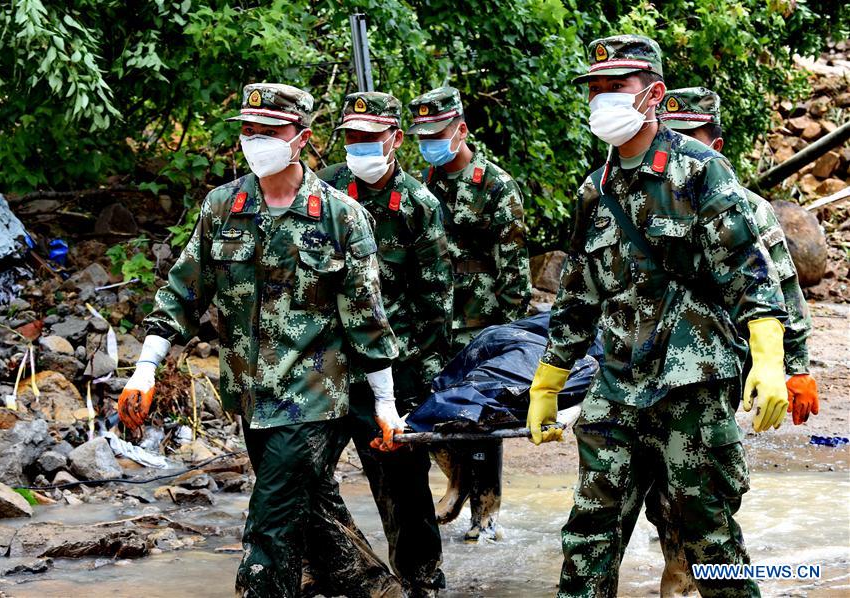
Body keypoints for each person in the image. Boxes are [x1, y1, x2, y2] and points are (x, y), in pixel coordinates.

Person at [116, 83, 404, 597]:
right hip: (250, 397)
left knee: (269, 525)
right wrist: (146, 368)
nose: (256, 141)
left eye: (270, 132)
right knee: (310, 507)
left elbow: (367, 318)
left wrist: (385, 403)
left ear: (302, 139)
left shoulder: (341, 216)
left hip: (312, 399)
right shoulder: (223, 207)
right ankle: (373, 587)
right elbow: (183, 291)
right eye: (249, 130)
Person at [527, 35, 790, 597]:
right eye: (593, 89)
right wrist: (547, 381)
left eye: (614, 88)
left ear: (653, 94)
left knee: (711, 540)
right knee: (587, 536)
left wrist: (772, 363)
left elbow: (752, 273)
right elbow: (578, 294)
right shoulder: (594, 191)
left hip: (692, 383)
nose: (601, 101)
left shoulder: (700, 171)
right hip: (617, 383)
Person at [619, 86, 819, 596]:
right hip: (644, 364)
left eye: (695, 135)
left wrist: (792, 368)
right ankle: (678, 559)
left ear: (717, 142)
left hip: (712, 362)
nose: (684, 143)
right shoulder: (633, 194)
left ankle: (701, 564)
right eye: (677, 132)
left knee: (703, 482)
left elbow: (779, 288)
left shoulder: (745, 206)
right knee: (659, 483)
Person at [314, 91, 453, 596]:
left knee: (403, 486)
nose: (359, 148)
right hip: (324, 367)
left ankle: (419, 578)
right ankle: (330, 568)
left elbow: (435, 301)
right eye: (351, 138)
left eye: (370, 139)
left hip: (393, 369)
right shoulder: (325, 190)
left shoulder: (418, 205)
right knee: (300, 474)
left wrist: (412, 381)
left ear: (395, 139)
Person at [406, 86, 532, 541]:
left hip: (483, 319)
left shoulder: (495, 185)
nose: (428, 144)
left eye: (436, 134)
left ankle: (486, 510)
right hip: (436, 317)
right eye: (421, 136)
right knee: (431, 402)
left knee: (483, 418)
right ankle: (456, 480)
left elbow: (514, 264)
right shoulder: (426, 182)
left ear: (460, 130)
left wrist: (509, 331)